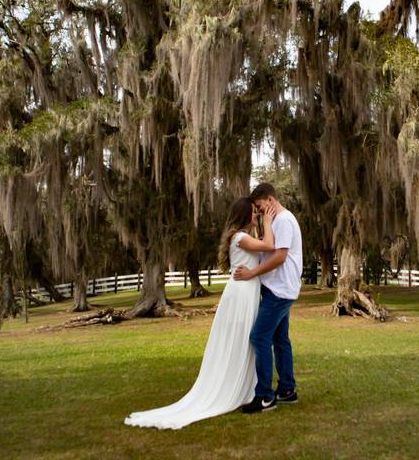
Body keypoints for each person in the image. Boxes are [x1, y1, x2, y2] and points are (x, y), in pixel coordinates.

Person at [123, 197, 277, 429]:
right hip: (242, 294)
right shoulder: (241, 237)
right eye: (254, 213)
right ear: (245, 215)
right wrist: (267, 220)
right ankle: (238, 387)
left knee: (248, 341)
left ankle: (250, 387)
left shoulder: (245, 236)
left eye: (258, 213)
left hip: (247, 292)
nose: (256, 216)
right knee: (242, 340)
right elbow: (270, 247)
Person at [234, 182, 303, 413]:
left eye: (260, 206)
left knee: (259, 337)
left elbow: (280, 256)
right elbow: (269, 249)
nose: (260, 210)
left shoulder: (282, 220)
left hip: (279, 291)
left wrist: (252, 273)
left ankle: (264, 396)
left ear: (270, 200)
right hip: (281, 289)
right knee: (280, 340)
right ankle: (286, 390)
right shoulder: (281, 220)